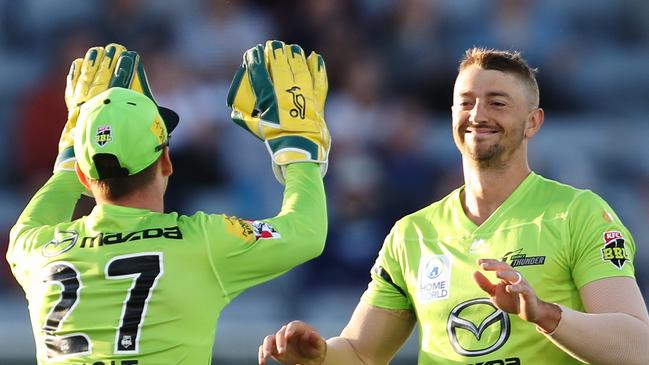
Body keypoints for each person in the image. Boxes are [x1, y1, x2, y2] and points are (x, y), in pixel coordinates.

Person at [258, 47, 649, 365]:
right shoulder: (413, 233)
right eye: (466, 103)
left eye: (497, 103)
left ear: (533, 123)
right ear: (451, 117)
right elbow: (362, 352)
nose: (478, 115)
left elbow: (637, 347)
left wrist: (543, 314)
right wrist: (318, 356)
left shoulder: (577, 213)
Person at [7, 40, 330, 364]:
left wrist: (75, 148)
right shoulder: (202, 242)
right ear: (166, 162)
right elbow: (306, 230)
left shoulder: (36, 251)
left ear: (82, 174)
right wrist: (298, 149)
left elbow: (34, 218)